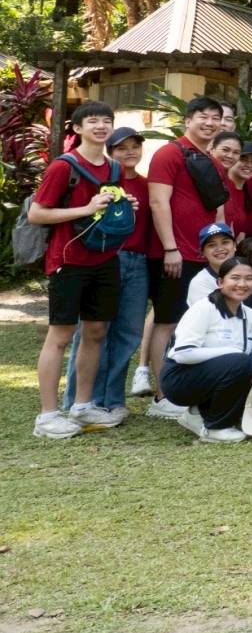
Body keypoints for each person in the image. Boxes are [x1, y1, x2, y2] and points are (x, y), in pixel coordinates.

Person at [27, 100, 133, 439]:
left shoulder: (115, 169)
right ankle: (47, 416)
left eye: (106, 120)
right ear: (77, 128)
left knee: (97, 331)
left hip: (104, 259)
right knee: (60, 335)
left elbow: (106, 210)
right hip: (68, 260)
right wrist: (84, 208)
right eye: (92, 121)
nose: (101, 126)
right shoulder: (64, 167)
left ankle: (82, 406)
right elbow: (37, 214)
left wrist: (124, 205)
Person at [143, 94, 229, 421]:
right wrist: (170, 247)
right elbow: (157, 202)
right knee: (168, 320)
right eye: (202, 117)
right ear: (188, 120)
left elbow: (218, 207)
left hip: (207, 255)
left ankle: (190, 389)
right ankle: (162, 394)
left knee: (199, 322)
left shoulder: (214, 161)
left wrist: (224, 248)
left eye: (215, 118)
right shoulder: (168, 154)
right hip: (175, 255)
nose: (209, 123)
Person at [159, 256, 252, 443]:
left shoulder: (249, 314)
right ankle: (216, 428)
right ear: (220, 282)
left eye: (249, 279)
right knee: (240, 361)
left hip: (212, 373)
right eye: (235, 278)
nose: (242, 284)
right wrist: (231, 352)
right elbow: (183, 354)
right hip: (179, 379)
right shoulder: (204, 308)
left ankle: (196, 414)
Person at [63, 125, 152, 414]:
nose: (129, 152)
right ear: (110, 151)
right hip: (105, 258)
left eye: (134, 146)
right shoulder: (102, 180)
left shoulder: (147, 184)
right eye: (121, 147)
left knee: (128, 333)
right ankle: (80, 400)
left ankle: (113, 400)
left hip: (138, 262)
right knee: (92, 331)